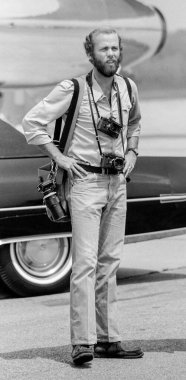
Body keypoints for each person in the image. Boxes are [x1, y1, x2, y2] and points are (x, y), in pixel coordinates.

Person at [22, 28, 143, 365]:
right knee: (86, 265)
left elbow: (134, 123)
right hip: (85, 182)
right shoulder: (72, 88)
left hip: (117, 183)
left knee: (110, 265)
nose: (111, 54)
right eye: (104, 49)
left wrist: (132, 153)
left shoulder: (128, 87)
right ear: (91, 54)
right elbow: (32, 122)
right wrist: (59, 157)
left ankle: (109, 339)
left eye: (115, 48)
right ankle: (82, 342)